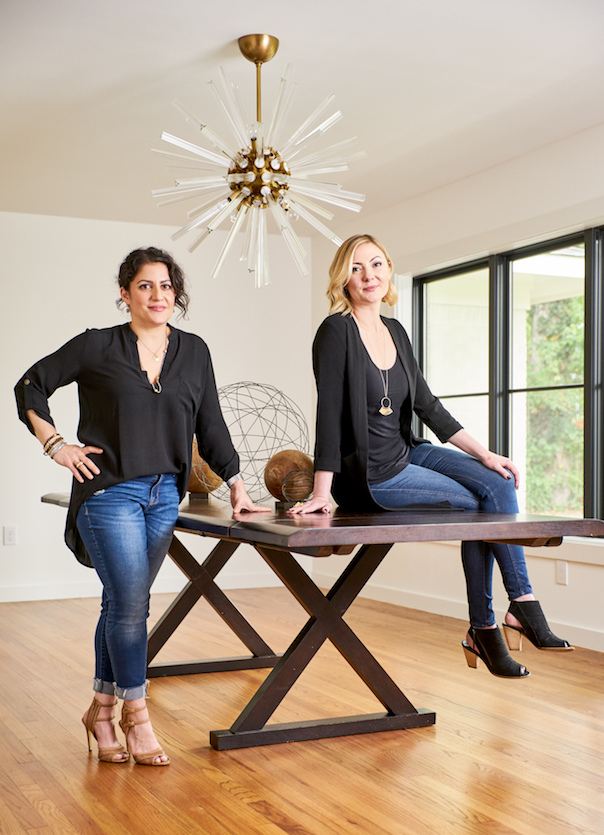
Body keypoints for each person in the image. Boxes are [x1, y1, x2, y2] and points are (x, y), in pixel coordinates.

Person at [15, 246, 270, 765]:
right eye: (146, 286)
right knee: (133, 604)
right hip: (109, 492)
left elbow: (211, 424)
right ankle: (138, 717)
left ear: (177, 295)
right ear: (126, 293)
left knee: (121, 603)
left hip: (164, 496)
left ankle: (101, 712)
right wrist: (55, 444)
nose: (158, 295)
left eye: (167, 287)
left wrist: (237, 484)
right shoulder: (97, 346)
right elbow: (30, 386)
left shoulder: (194, 351)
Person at [289, 233, 572, 679]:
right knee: (484, 507)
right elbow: (328, 413)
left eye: (377, 264)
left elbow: (427, 403)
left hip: (409, 453)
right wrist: (323, 490)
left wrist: (486, 453)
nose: (369, 276)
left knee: (496, 483)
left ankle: (515, 606)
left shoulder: (396, 330)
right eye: (358, 267)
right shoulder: (335, 332)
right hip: (372, 476)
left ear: (389, 271)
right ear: (344, 277)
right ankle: (494, 621)